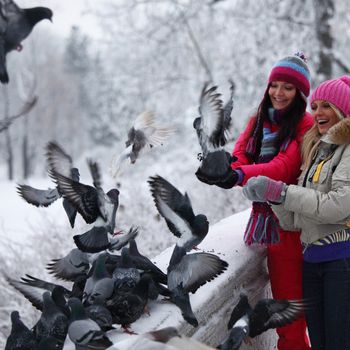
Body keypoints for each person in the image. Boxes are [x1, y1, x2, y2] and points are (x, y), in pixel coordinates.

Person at [196, 53, 313, 350]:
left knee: (298, 309)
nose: (278, 93)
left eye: (288, 87)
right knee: (289, 310)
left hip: (295, 227)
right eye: (275, 85)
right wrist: (226, 168)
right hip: (271, 226)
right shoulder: (259, 121)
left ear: (300, 93)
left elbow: (283, 167)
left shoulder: (306, 125)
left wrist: (237, 175)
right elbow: (241, 153)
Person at [242, 75, 350, 350]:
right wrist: (271, 196)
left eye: (326, 106)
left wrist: (282, 192)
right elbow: (294, 221)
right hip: (312, 262)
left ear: (343, 111)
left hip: (342, 262)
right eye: (314, 106)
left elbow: (335, 206)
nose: (317, 113)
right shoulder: (317, 149)